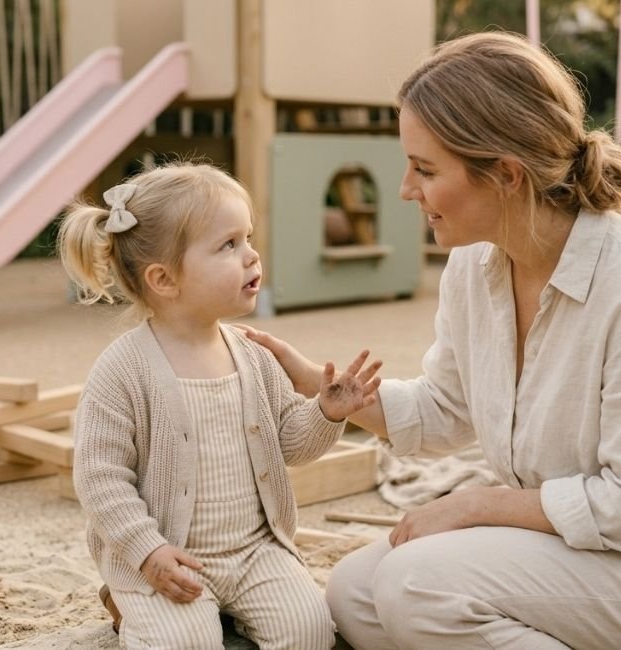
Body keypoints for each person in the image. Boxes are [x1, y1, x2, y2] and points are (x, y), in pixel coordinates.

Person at [245, 32, 621, 650]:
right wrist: (313, 383)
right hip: (569, 545)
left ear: (506, 174)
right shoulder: (476, 265)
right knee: (354, 591)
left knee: (416, 586)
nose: (407, 189)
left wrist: (473, 506)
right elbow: (446, 410)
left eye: (425, 169)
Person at [58, 162, 381, 650]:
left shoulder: (253, 354)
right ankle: (127, 598)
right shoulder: (122, 370)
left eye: (247, 238)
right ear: (164, 279)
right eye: (228, 245)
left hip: (255, 551)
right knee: (187, 644)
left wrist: (325, 412)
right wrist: (147, 552)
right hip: (169, 559)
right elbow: (100, 478)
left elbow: (289, 442)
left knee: (311, 632)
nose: (252, 256)